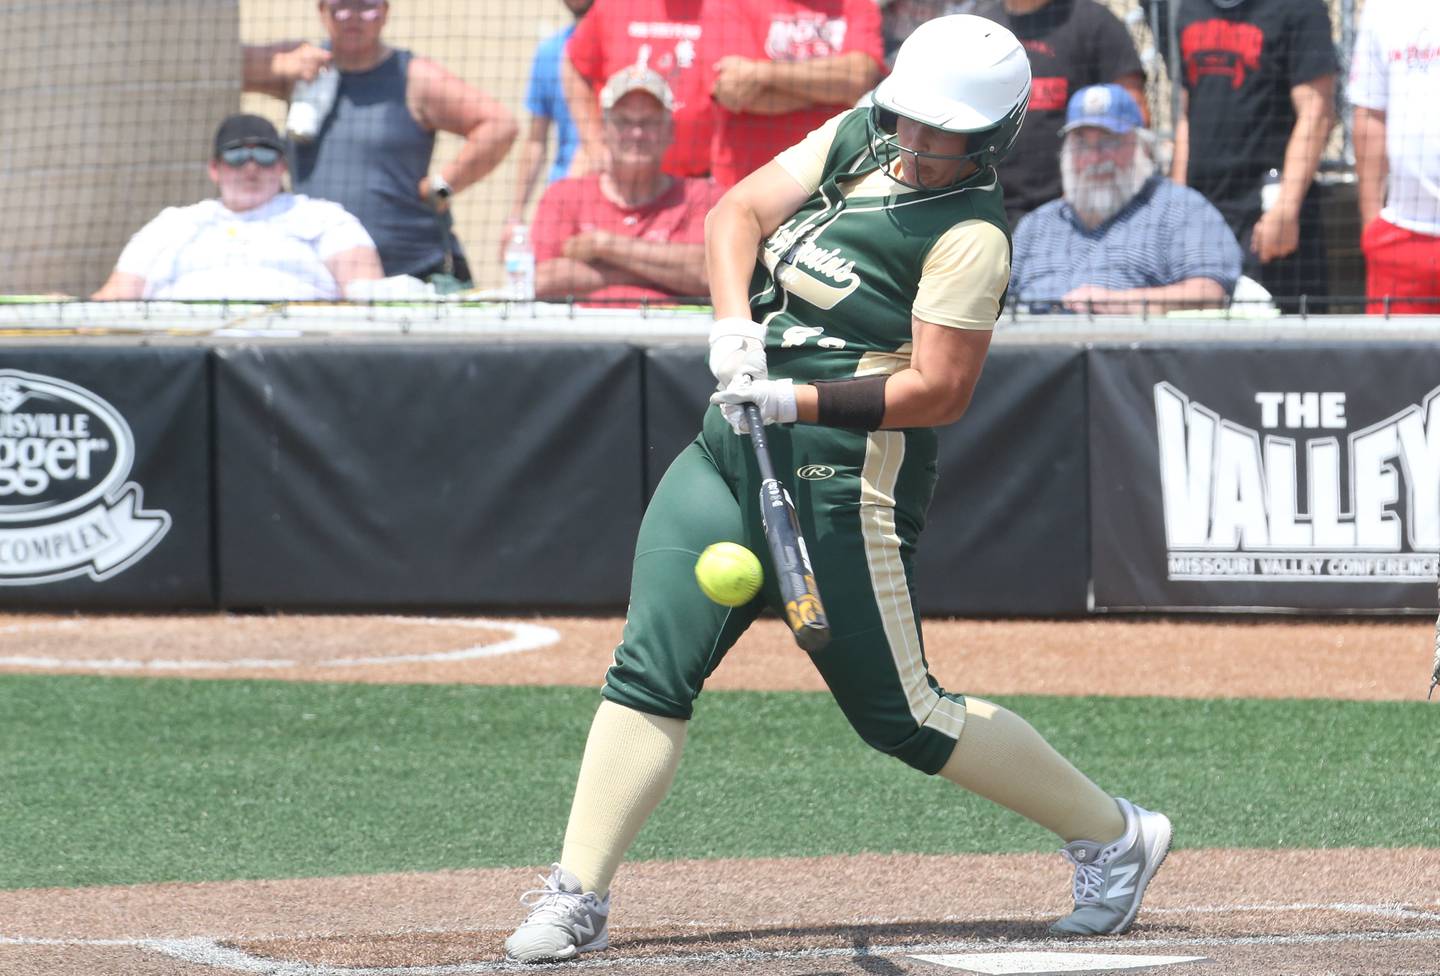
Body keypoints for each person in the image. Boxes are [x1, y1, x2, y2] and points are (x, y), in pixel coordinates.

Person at [502, 15, 1171, 965]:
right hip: (729, 447)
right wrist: (735, 329)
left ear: (995, 135)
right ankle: (579, 895)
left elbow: (939, 392)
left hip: (845, 475)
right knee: (650, 668)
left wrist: (795, 396)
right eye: (913, 120)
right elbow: (736, 213)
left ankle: (1116, 834)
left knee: (902, 716)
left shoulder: (971, 234)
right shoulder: (864, 131)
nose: (921, 143)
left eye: (947, 132)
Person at [242, 0, 517, 283]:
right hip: (322, 275)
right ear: (322, 11)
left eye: (366, 6)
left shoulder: (412, 76)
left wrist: (443, 186)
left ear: (385, 12)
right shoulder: (302, 70)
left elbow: (499, 125)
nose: (353, 16)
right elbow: (222, 65)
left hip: (409, 271)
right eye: (341, 6)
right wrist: (275, 64)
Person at [91, 115, 382, 301]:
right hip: (181, 356)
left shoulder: (325, 219)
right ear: (214, 169)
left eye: (264, 156)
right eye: (237, 156)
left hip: (294, 357)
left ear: (282, 166)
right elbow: (115, 298)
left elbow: (370, 298)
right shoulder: (172, 225)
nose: (251, 168)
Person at [1011, 84, 1241, 314]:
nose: (1095, 158)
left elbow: (1210, 292)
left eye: (1109, 142)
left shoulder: (1181, 209)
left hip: (1126, 336)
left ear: (1144, 148)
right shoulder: (1036, 225)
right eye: (1081, 144)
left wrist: (1117, 302)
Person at [1172, 0, 1337, 312]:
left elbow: (1316, 113)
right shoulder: (1191, 8)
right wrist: (1177, 206)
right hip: (1205, 216)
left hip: (1269, 218)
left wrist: (1286, 208)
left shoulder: (1300, 8)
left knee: (1282, 333)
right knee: (1200, 335)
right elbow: (1185, 116)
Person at [532, 67, 721, 305]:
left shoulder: (702, 196)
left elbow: (707, 274)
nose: (637, 132)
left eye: (649, 122)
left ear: (670, 131)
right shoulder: (564, 195)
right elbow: (541, 281)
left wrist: (603, 245)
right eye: (623, 121)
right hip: (585, 327)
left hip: (670, 327)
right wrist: (659, 272)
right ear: (603, 130)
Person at [975, 0, 1147, 229]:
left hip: (1072, 215)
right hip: (987, 209)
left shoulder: (1095, 22)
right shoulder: (980, 28)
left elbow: (1133, 115)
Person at [699, 0, 886, 187]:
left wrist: (763, 74)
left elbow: (861, 77)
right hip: (747, 183)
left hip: (835, 182)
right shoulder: (730, 3)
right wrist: (833, 92)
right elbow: (733, 91)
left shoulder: (856, 5)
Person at [1347, 0, 1440, 315]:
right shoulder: (1383, 9)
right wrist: (1372, 224)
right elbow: (1370, 115)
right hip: (1401, 240)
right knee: (1393, 348)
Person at [562, 0, 712, 180]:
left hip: (696, 179)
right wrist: (592, 142)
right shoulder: (614, 5)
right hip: (621, 178)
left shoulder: (726, 7)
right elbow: (574, 64)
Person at [505, 0, 593, 246]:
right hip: (562, 202)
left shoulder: (626, 47)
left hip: (615, 201)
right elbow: (536, 141)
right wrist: (516, 215)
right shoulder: (549, 52)